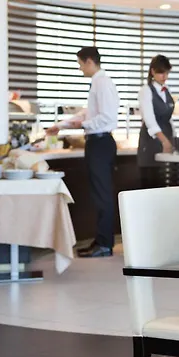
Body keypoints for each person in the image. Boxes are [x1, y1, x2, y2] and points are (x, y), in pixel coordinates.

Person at [46, 46, 120, 258]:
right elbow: (88, 113)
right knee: (99, 194)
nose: (79, 69)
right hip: (96, 143)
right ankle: (101, 241)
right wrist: (62, 125)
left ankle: (105, 245)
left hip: (101, 143)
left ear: (89, 61)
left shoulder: (102, 82)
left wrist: (82, 124)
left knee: (103, 195)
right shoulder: (97, 82)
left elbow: (107, 117)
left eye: (80, 64)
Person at [137, 55, 174, 188]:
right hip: (151, 142)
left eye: (166, 73)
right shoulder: (146, 91)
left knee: (166, 183)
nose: (164, 76)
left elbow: (169, 119)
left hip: (167, 139)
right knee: (152, 183)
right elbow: (149, 120)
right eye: (161, 72)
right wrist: (164, 141)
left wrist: (172, 140)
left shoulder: (167, 90)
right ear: (152, 71)